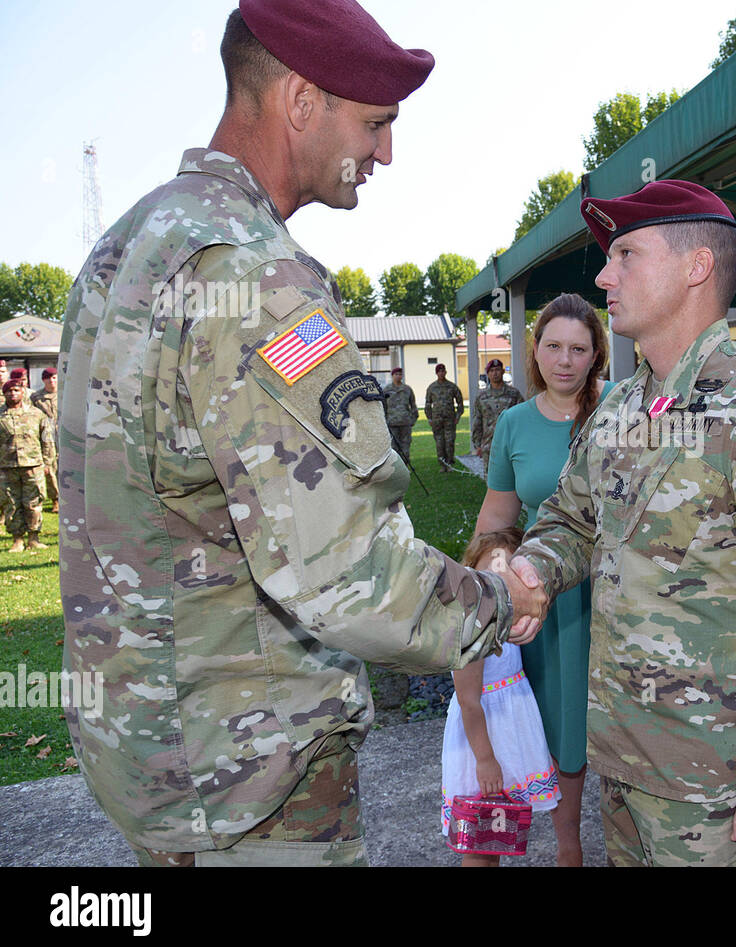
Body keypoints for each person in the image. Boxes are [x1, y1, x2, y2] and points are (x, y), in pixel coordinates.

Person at [58, 0, 543, 868]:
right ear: (300, 98)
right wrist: (501, 604)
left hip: (152, 752)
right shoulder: (254, 274)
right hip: (251, 777)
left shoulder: (127, 248)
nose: (386, 152)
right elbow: (349, 573)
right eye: (376, 122)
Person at [508, 180, 736, 867]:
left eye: (625, 255)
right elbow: (572, 520)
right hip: (621, 759)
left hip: (720, 787)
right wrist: (533, 568)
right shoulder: (621, 408)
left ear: (695, 266)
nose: (603, 275)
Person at [475, 292, 612, 866]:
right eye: (553, 346)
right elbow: (498, 518)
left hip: (612, 593)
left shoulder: (619, 414)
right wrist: (479, 578)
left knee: (603, 723)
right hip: (543, 596)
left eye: (578, 348)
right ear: (534, 351)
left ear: (596, 354)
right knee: (550, 718)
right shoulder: (513, 422)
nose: (564, 359)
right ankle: (567, 847)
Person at [442, 528, 561, 867]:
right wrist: (485, 760)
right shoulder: (473, 624)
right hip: (483, 744)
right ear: (471, 571)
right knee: (479, 839)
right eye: (490, 568)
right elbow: (468, 701)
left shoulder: (507, 622)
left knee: (498, 836)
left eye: (507, 568)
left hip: (508, 737)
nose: (499, 576)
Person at [1, 377, 54, 553]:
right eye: (9, 390)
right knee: (11, 503)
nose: (12, 393)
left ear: (23, 392)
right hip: (6, 467)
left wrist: (48, 462)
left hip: (33, 465)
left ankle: (34, 538)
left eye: (16, 390)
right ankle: (17, 540)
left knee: (34, 502)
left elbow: (47, 440)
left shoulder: (36, 414)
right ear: (4, 393)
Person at [472, 358, 523, 474]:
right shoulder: (482, 397)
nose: (495, 373)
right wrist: (477, 445)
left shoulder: (514, 394)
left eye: (498, 370)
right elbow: (477, 421)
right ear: (488, 374)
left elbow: (522, 419)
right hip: (489, 445)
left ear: (503, 371)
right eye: (492, 371)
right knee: (490, 477)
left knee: (511, 477)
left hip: (510, 444)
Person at [424, 362, 463, 471]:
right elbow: (427, 404)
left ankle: (449, 463)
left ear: (445, 372)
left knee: (449, 441)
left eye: (443, 371)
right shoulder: (432, 387)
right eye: (439, 371)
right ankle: (442, 464)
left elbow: (460, 402)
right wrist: (429, 418)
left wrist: (458, 415)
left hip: (450, 419)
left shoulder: (452, 386)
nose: (441, 373)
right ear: (436, 373)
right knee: (439, 442)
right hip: (437, 420)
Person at [30, 368, 58, 512]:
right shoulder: (36, 397)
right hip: (46, 432)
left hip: (64, 431)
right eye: (48, 378)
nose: (52, 381)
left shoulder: (65, 393)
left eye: (54, 378)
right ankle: (56, 499)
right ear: (43, 380)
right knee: (50, 466)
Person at [381, 366, 418, 462]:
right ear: (392, 376)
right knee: (394, 448)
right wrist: (384, 421)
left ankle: (406, 467)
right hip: (392, 423)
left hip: (405, 423)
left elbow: (413, 406)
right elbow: (382, 407)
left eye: (400, 374)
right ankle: (396, 469)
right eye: (396, 374)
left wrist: (413, 420)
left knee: (406, 447)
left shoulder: (407, 389)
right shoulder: (386, 390)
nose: (398, 376)